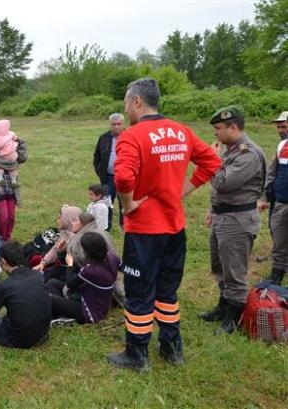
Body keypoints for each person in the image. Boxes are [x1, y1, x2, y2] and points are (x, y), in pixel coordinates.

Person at [108, 78, 222, 372]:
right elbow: (211, 162)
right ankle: (172, 349)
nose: (124, 107)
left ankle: (137, 354)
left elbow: (122, 178)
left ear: (136, 101)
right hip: (175, 229)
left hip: (144, 232)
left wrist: (129, 203)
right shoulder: (181, 131)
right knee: (167, 292)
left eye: (125, 101)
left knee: (138, 292)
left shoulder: (132, 136)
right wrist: (182, 190)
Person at [200, 106, 266, 334]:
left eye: (218, 128)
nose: (215, 133)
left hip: (238, 219)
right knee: (219, 266)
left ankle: (234, 317)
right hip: (223, 215)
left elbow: (223, 182)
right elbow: (220, 191)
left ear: (233, 127)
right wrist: (212, 209)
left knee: (234, 271)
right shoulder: (231, 150)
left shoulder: (249, 154)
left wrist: (212, 160)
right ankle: (223, 305)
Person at [47, 232, 119, 324]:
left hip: (90, 313)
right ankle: (62, 313)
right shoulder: (112, 258)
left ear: (88, 252)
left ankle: (60, 317)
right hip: (90, 299)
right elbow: (123, 267)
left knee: (50, 299)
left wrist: (70, 264)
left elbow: (69, 284)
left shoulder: (91, 271)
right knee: (53, 283)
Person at [0, 125, 28, 241]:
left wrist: (19, 142)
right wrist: (13, 161)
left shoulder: (10, 144)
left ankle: (7, 237)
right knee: (3, 217)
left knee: (11, 217)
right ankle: (1, 239)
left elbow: (22, 158)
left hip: (11, 185)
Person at [258, 112, 288, 285]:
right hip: (282, 202)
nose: (281, 130)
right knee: (279, 239)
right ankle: (276, 275)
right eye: (279, 126)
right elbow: (272, 172)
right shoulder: (282, 146)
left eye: (284, 126)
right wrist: (264, 196)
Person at [34, 205, 83, 282]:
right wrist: (43, 263)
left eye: (60, 218)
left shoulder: (75, 239)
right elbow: (55, 249)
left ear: (68, 220)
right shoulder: (65, 233)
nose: (57, 220)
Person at [93, 113, 125, 231]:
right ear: (110, 125)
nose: (116, 126)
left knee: (125, 201)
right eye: (114, 124)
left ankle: (125, 225)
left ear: (123, 124)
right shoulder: (104, 138)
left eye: (119, 124)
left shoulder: (130, 136)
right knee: (106, 203)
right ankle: (107, 227)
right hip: (108, 177)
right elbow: (97, 156)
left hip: (124, 176)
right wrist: (100, 171)